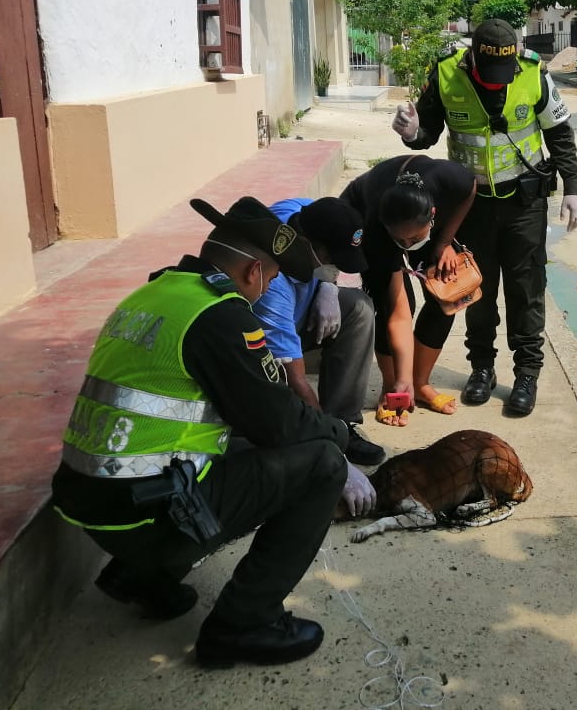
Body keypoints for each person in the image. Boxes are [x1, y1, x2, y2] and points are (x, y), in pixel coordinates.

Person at [50, 196, 376, 668]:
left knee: (235, 446)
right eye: (271, 278)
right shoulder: (223, 317)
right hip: (146, 512)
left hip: (89, 498)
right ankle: (243, 625)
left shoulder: (154, 293)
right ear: (252, 273)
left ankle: (140, 577)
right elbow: (281, 423)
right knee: (321, 464)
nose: (268, 290)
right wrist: (339, 438)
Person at [391, 18, 577, 416]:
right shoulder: (447, 73)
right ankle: (482, 369)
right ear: (473, 60)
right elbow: (426, 133)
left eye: (505, 72)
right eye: (489, 73)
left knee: (526, 290)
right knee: (475, 289)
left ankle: (526, 374)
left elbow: (560, 134)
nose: (498, 81)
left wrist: (574, 188)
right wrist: (411, 132)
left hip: (524, 203)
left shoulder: (533, 74)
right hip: (470, 205)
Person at [338, 154, 477, 425]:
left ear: (434, 214)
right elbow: (399, 315)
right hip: (364, 211)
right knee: (396, 304)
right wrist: (401, 380)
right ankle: (393, 388)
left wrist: (443, 242)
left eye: (413, 238)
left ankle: (421, 383)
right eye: (400, 239)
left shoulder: (452, 179)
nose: (406, 243)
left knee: (445, 295)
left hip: (420, 219)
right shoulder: (378, 231)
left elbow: (470, 190)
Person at [252, 196, 383, 465]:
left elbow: (328, 213)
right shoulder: (272, 288)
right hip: (265, 347)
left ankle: (342, 422)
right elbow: (296, 379)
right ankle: (328, 434)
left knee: (359, 309)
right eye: (330, 259)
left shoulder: (296, 212)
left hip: (307, 309)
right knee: (282, 419)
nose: (334, 266)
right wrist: (330, 444)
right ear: (306, 244)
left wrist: (328, 286)